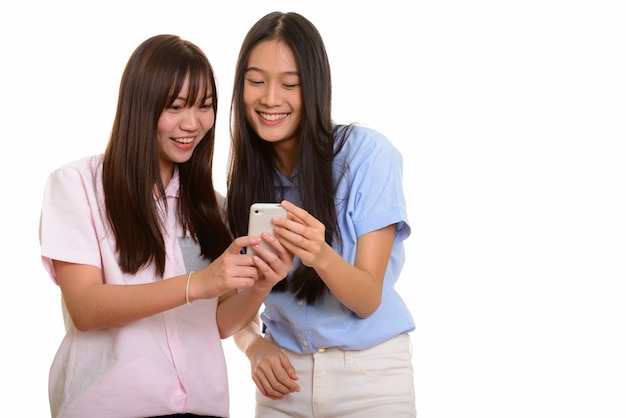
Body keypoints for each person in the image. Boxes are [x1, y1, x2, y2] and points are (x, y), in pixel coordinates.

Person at [39, 34, 292, 418]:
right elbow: (85, 307)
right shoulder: (77, 185)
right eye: (176, 107)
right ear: (141, 106)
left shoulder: (212, 208)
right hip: (110, 407)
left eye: (205, 107)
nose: (193, 123)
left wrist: (261, 284)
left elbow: (218, 324)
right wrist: (198, 283)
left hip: (203, 407)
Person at [226, 11, 416, 418]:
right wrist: (253, 346)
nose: (270, 99)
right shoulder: (244, 183)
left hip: (371, 378)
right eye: (256, 81)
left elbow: (367, 299)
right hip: (283, 382)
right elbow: (229, 314)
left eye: (289, 84)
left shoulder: (367, 155)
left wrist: (320, 255)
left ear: (314, 88)